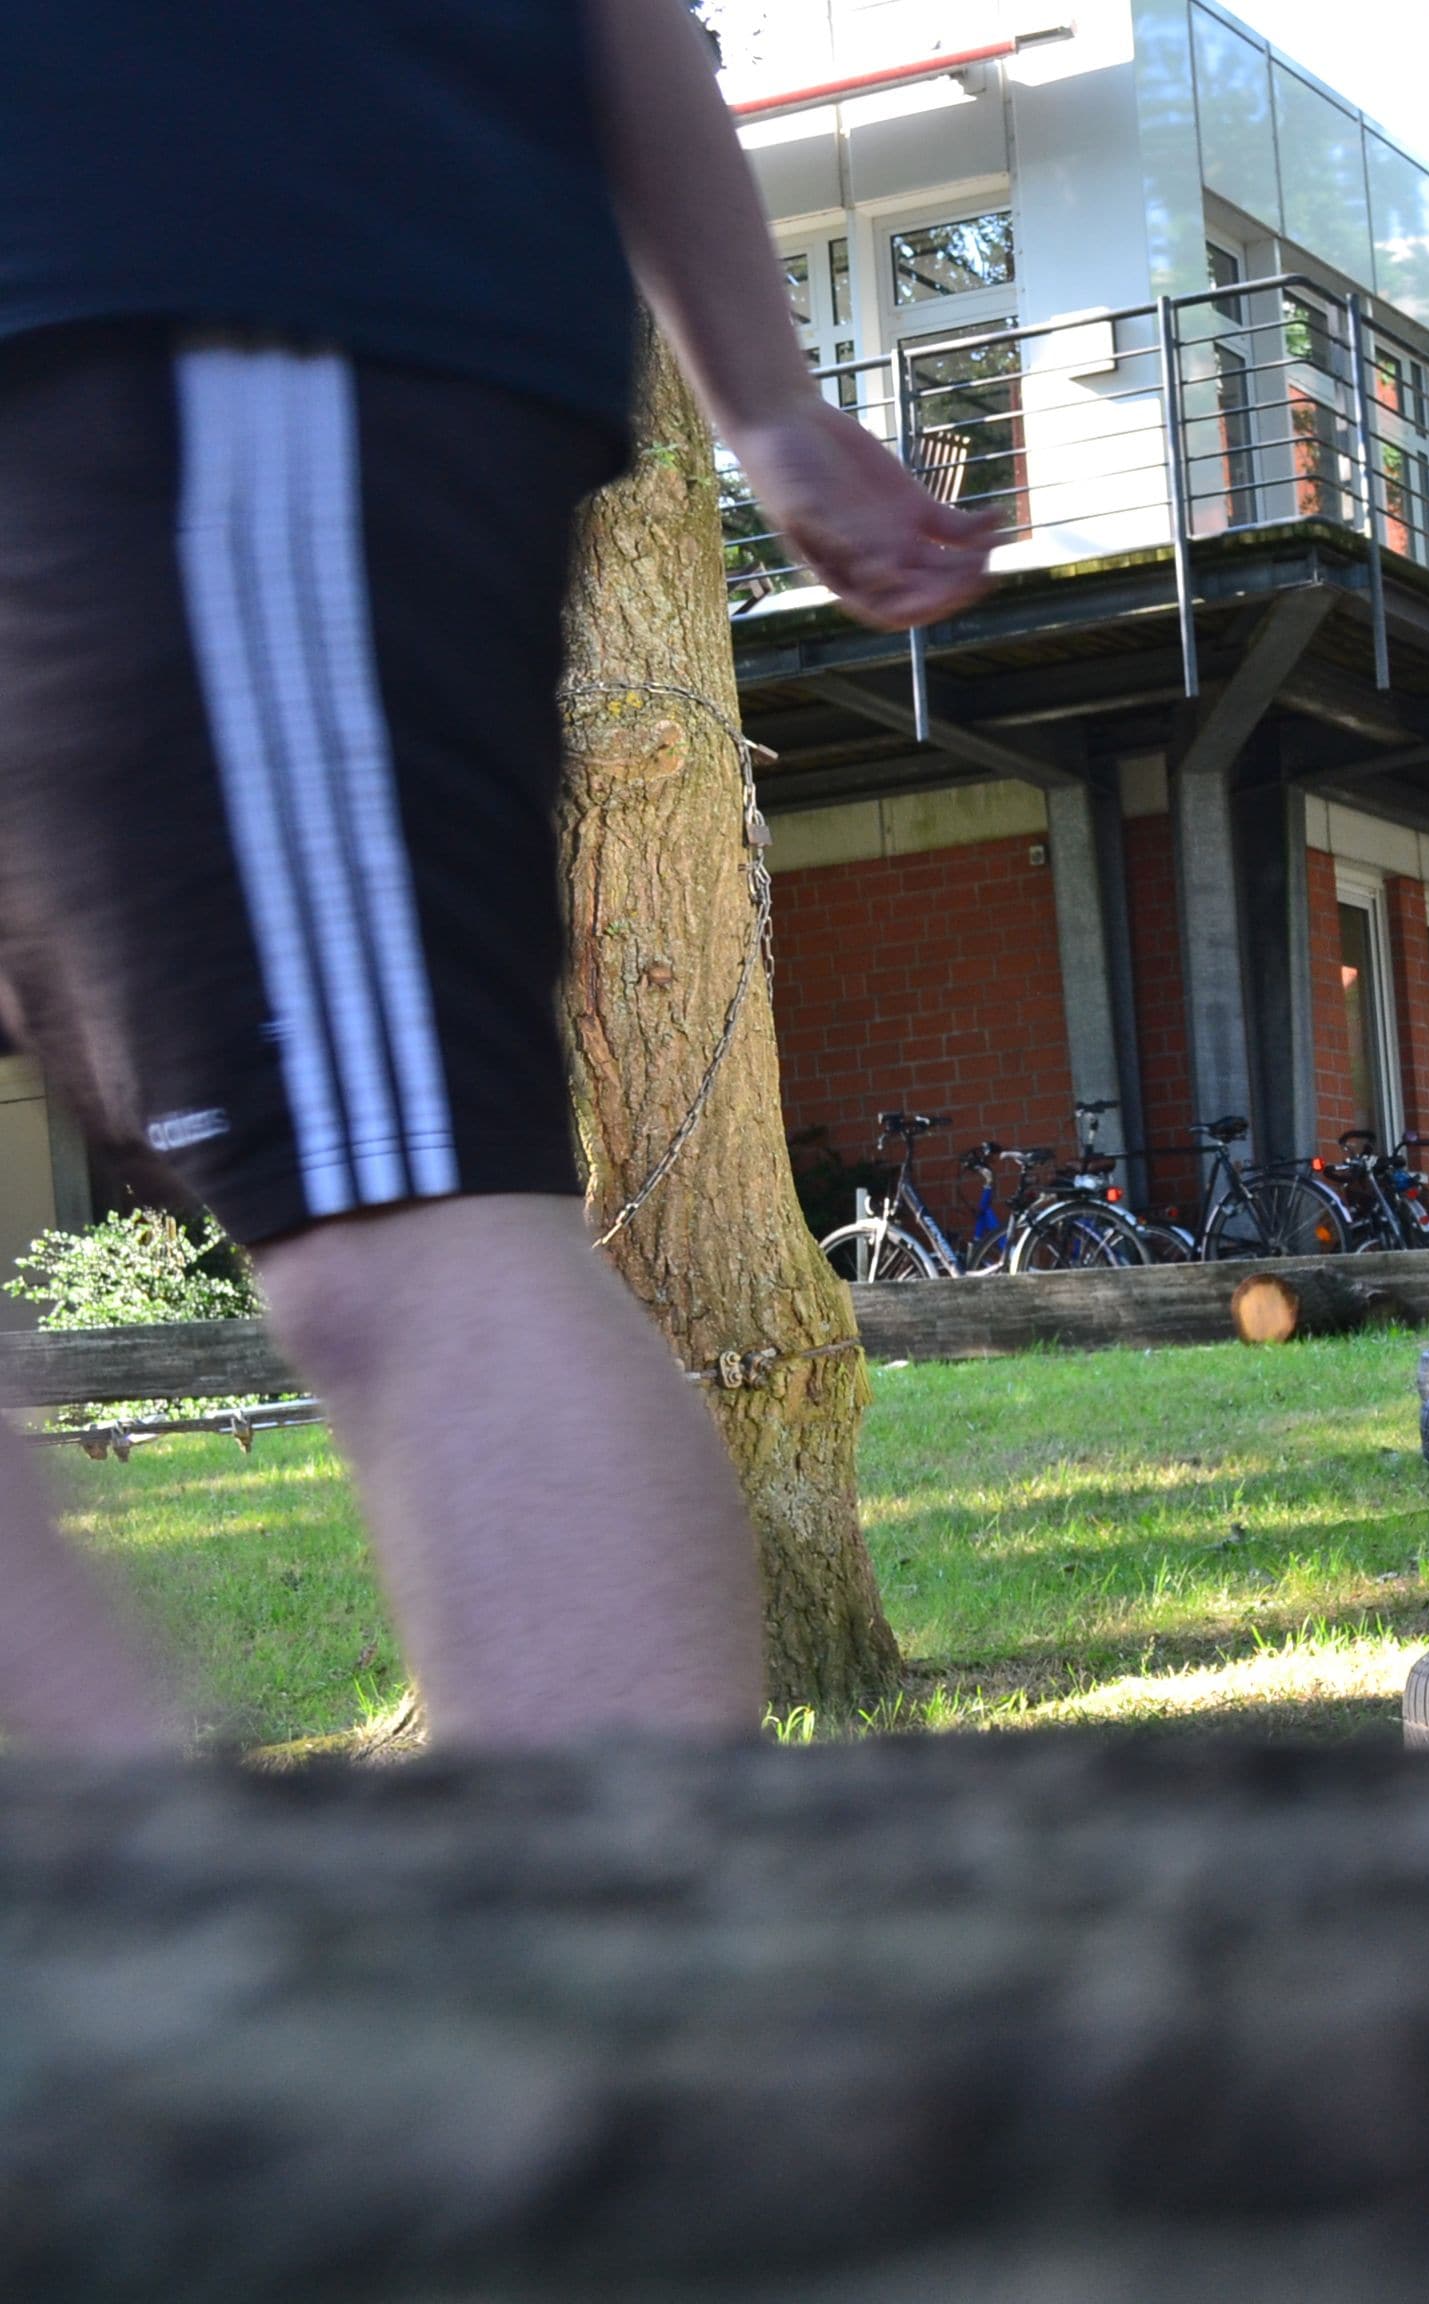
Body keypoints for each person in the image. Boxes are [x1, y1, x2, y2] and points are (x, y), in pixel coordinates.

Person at [0, 1, 993, 1752]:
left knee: (395, 1203)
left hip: (206, 257)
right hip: (124, 299)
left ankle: (629, 1977)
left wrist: (766, 403)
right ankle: (134, 1954)